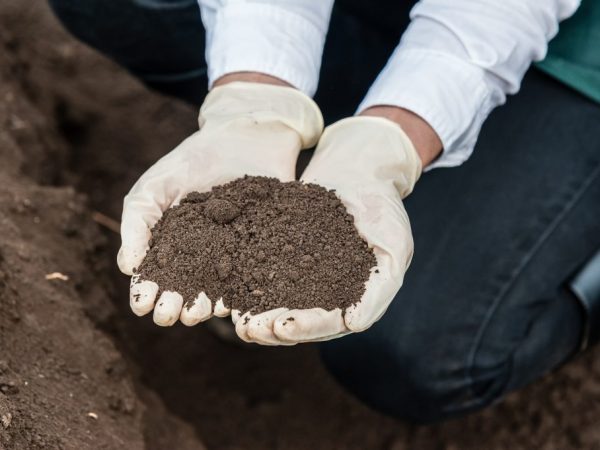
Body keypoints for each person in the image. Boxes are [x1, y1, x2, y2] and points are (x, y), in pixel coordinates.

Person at [49, 0, 600, 422]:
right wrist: (256, 97)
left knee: (420, 352)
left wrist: (395, 137)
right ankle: (326, 128)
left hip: (572, 52)